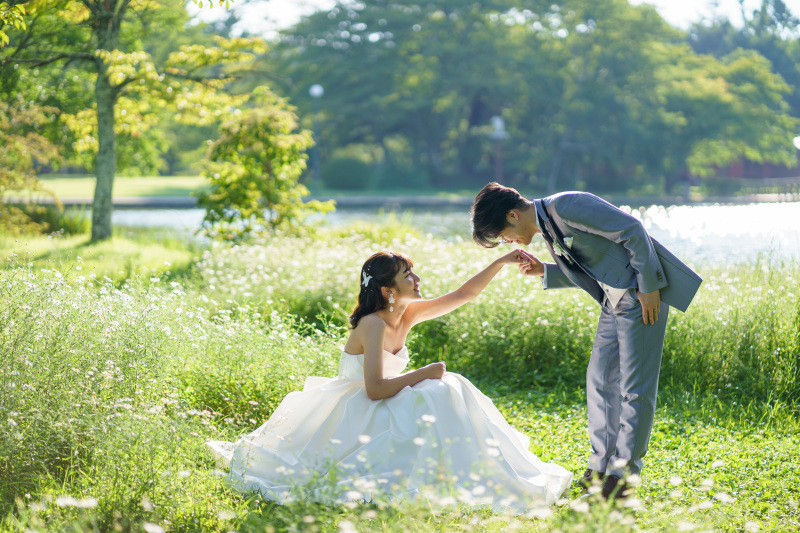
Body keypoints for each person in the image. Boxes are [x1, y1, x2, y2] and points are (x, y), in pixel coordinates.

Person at [207, 250, 573, 512]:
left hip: (387, 397)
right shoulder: (373, 324)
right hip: (360, 406)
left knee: (450, 386)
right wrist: (425, 372)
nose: (417, 279)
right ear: (388, 289)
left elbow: (463, 295)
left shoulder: (406, 312)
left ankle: (471, 466)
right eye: (408, 275)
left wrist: (501, 262)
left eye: (413, 272)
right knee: (441, 386)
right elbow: (375, 389)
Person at [470, 183, 702, 500]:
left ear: (512, 215)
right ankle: (600, 468)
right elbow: (596, 266)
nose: (507, 242)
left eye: (503, 235)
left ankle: (622, 478)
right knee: (599, 380)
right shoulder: (547, 227)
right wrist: (544, 270)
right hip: (612, 303)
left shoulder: (566, 206)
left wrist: (649, 287)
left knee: (635, 388)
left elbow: (632, 230)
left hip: (639, 299)